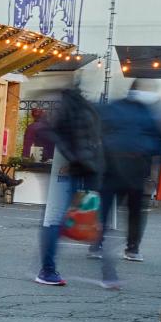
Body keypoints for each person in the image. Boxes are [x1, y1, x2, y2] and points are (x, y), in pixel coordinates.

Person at [32, 86, 112, 287]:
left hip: (71, 171)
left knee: (54, 220)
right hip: (87, 172)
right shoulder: (89, 112)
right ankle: (108, 273)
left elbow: (57, 138)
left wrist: (69, 157)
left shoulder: (66, 115)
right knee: (75, 218)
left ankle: (47, 269)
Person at [95, 79, 161, 265]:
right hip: (130, 166)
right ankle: (131, 248)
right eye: (149, 89)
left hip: (118, 166)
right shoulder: (146, 112)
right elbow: (156, 138)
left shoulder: (118, 108)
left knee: (108, 207)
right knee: (133, 210)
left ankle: (99, 244)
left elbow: (100, 129)